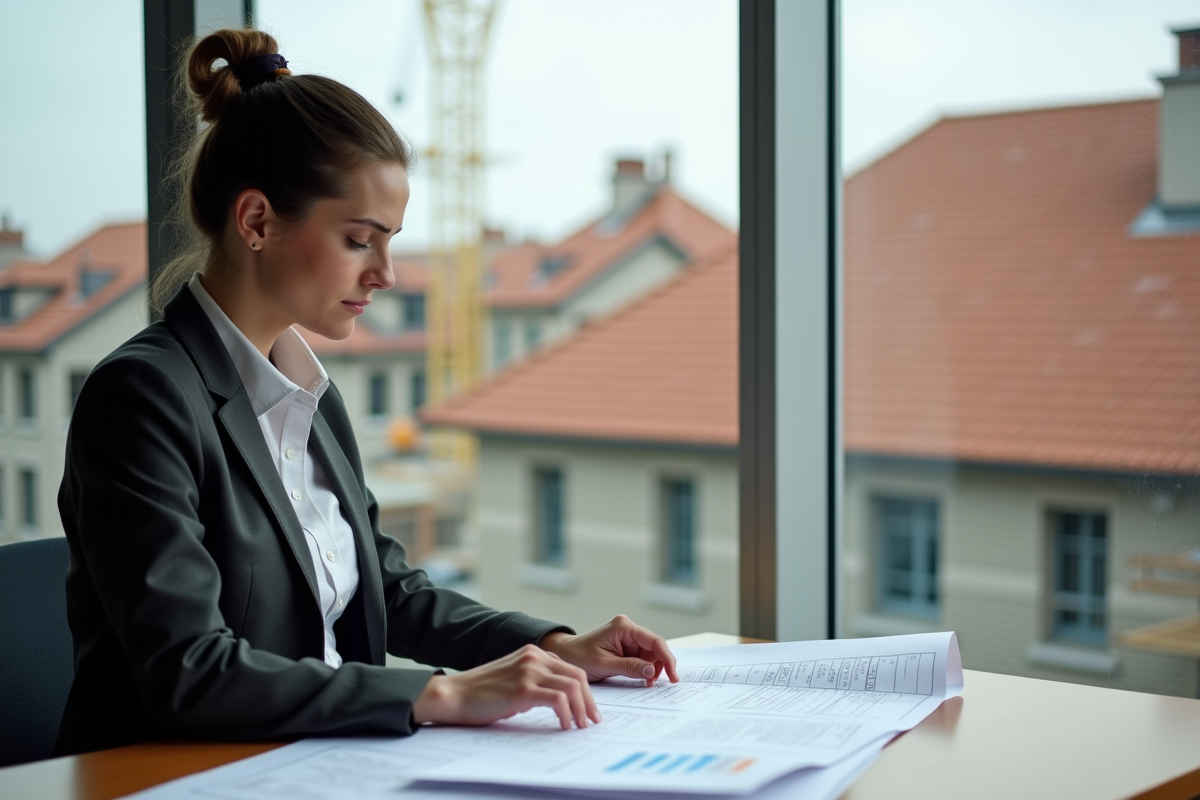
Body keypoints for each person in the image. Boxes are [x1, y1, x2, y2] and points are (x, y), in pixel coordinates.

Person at [53, 28, 678, 757]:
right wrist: (437, 693)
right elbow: (189, 672)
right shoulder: (142, 397)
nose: (386, 272)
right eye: (360, 240)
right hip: (174, 776)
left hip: (312, 761)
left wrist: (554, 645)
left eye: (392, 240)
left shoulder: (308, 395)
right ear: (256, 221)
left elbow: (388, 588)